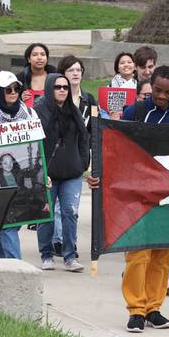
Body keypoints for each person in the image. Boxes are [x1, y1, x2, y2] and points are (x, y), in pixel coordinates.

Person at [111, 66, 169, 331]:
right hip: (137, 193)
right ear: (149, 86)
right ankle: (135, 310)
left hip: (168, 192)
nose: (163, 96)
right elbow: (116, 147)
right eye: (158, 91)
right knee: (138, 253)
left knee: (162, 253)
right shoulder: (136, 112)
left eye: (168, 92)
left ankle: (155, 307)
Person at [0, 71, 39, 259]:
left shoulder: (30, 113)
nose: (13, 93)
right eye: (8, 90)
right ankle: (16, 266)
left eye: (16, 89)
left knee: (11, 222)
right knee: (7, 222)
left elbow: (38, 149)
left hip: (21, 180)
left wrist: (43, 175)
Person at [34, 74, 89, 273]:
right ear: (50, 88)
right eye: (57, 87)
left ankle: (69, 255)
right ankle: (46, 254)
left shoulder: (73, 111)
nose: (62, 90)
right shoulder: (39, 111)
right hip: (48, 174)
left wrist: (83, 162)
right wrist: (40, 171)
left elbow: (84, 137)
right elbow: (34, 144)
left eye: (65, 87)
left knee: (69, 213)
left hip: (72, 172)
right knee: (46, 214)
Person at [52, 55, 97, 258]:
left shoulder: (89, 100)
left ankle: (69, 243)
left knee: (71, 207)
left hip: (78, 157)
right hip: (57, 157)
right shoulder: (56, 98)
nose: (76, 73)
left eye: (79, 70)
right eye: (71, 70)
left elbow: (93, 129)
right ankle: (58, 241)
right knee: (57, 206)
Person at [17, 43, 56, 107]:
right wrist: (20, 98)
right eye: (35, 55)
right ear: (29, 59)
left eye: (43, 54)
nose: (39, 58)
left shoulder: (56, 77)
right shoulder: (20, 79)